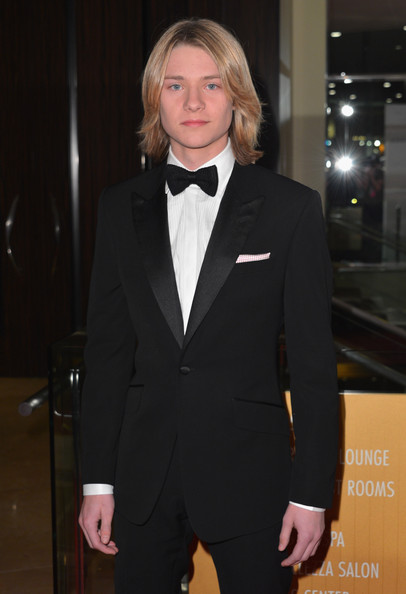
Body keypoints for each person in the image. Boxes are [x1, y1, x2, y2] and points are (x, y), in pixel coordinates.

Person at [79, 18, 339, 594]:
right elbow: (108, 354)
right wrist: (97, 483)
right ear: (155, 99)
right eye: (175, 85)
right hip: (141, 478)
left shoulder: (290, 209)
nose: (193, 101)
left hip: (253, 479)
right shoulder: (118, 205)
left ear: (237, 98)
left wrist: (311, 494)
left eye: (211, 84)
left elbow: (316, 368)